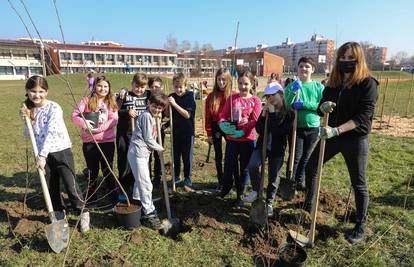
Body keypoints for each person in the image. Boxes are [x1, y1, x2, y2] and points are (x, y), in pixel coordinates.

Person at [304, 42, 378, 244]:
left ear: (358, 59)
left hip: (354, 139)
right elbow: (321, 108)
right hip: (332, 137)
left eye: (350, 58)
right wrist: (322, 107)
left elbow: (363, 117)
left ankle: (360, 223)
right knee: (311, 167)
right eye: (342, 58)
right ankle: (309, 203)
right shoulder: (334, 83)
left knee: (358, 183)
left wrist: (337, 129)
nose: (345, 62)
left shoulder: (368, 84)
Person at [20, 75, 90, 233]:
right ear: (27, 91)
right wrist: (26, 121)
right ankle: (58, 214)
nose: (37, 95)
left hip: (60, 150)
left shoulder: (54, 108)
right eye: (33, 91)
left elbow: (51, 132)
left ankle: (82, 212)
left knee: (70, 184)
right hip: (40, 155)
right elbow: (27, 134)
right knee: (51, 186)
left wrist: (43, 155)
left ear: (47, 92)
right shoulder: (27, 108)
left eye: (41, 91)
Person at [244, 82, 294, 216]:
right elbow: (259, 129)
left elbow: (278, 131)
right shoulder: (266, 109)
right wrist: (263, 115)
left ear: (281, 94)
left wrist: (271, 114)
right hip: (262, 145)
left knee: (273, 177)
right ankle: (256, 190)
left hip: (277, 149)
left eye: (273, 95)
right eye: (268, 96)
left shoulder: (289, 113)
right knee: (252, 165)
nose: (270, 99)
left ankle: (269, 202)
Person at [71, 75, 119, 206]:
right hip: (90, 143)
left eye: (105, 86)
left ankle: (112, 194)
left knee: (107, 169)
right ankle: (92, 196)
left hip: (107, 142)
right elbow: (74, 115)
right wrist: (84, 123)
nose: (102, 89)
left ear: (109, 88)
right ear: (94, 86)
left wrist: (98, 129)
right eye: (100, 85)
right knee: (92, 170)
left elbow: (114, 119)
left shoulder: (111, 102)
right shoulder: (86, 100)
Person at [219, 70, 262, 208]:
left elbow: (255, 120)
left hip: (248, 140)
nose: (243, 86)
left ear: (251, 84)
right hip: (232, 140)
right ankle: (226, 186)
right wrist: (223, 124)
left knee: (245, 169)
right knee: (230, 165)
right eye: (240, 83)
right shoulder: (232, 99)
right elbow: (223, 115)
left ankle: (241, 196)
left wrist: (242, 131)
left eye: (246, 84)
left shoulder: (255, 100)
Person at [127, 93, 168, 229]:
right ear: (148, 103)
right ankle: (149, 213)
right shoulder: (145, 116)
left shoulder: (153, 116)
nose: (157, 109)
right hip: (137, 153)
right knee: (146, 184)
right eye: (154, 106)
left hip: (143, 154)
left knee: (140, 184)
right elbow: (148, 138)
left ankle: (138, 206)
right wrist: (160, 148)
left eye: (160, 108)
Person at [284, 57, 324, 191]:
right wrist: (293, 93)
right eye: (301, 66)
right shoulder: (292, 86)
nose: (304, 69)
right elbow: (285, 104)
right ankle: (290, 182)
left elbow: (321, 106)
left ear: (312, 69)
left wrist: (304, 104)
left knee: (307, 157)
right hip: (296, 128)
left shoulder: (318, 87)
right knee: (295, 156)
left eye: (307, 66)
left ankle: (300, 181)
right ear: (297, 69)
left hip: (313, 127)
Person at [115, 73, 150, 197]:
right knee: (124, 161)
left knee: (140, 161)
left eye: (142, 87)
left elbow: (159, 97)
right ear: (132, 84)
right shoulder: (125, 96)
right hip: (124, 133)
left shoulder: (148, 95)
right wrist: (126, 111)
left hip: (141, 135)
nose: (139, 89)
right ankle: (124, 187)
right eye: (137, 86)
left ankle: (138, 187)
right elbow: (115, 111)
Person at [205, 68, 232, 190]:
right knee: (218, 155)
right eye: (219, 79)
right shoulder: (211, 96)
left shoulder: (232, 95)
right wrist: (209, 133)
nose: (221, 82)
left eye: (224, 80)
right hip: (216, 127)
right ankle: (220, 180)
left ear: (228, 80)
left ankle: (230, 179)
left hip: (229, 126)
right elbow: (208, 116)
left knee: (230, 155)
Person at [168, 73, 196, 190]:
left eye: (181, 87)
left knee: (187, 156)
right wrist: (167, 105)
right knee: (175, 156)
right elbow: (166, 114)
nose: (178, 89)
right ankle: (176, 177)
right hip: (175, 131)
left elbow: (187, 114)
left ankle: (187, 178)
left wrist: (174, 104)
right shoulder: (172, 96)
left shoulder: (190, 96)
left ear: (185, 86)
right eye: (176, 87)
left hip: (187, 132)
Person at [148, 76, 166, 187]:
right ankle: (148, 176)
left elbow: (169, 114)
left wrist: (164, 126)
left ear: (162, 87)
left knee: (158, 154)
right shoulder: (147, 97)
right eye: (152, 87)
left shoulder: (164, 98)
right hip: (148, 130)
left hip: (159, 130)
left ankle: (157, 178)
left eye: (157, 87)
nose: (154, 89)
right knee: (148, 155)